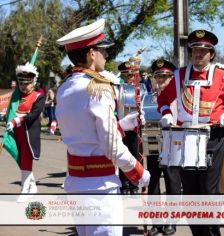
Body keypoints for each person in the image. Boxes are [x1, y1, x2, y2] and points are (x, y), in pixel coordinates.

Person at [55, 18, 150, 236]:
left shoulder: (65, 87)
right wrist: (138, 172)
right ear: (91, 54)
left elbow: (84, 129)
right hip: (100, 186)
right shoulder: (97, 87)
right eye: (103, 51)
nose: (106, 56)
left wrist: (122, 124)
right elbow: (111, 146)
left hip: (76, 182)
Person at [157, 29, 224, 236]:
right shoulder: (179, 75)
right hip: (184, 137)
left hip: (212, 137)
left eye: (203, 51)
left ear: (212, 54)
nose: (198, 55)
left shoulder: (222, 76)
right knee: (190, 191)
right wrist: (166, 114)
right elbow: (163, 100)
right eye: (195, 51)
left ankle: (212, 230)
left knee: (208, 190)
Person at [147, 59, 181, 236]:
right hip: (152, 142)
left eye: (165, 77)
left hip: (173, 142)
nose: (161, 80)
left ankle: (171, 220)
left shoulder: (178, 98)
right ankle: (156, 221)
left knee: (172, 182)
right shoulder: (147, 97)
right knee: (152, 183)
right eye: (158, 77)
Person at [5, 63, 45, 202]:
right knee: (21, 161)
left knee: (26, 160)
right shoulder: (16, 96)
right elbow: (10, 111)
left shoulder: (38, 96)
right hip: (15, 134)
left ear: (33, 82)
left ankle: (24, 190)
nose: (23, 86)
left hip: (28, 134)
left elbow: (33, 115)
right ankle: (32, 186)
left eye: (26, 83)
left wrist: (16, 121)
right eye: (21, 83)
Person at [117, 61, 142, 195]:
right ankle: (124, 184)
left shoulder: (139, 88)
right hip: (121, 127)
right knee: (122, 157)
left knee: (135, 157)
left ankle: (134, 184)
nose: (129, 78)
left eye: (131, 75)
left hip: (135, 129)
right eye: (126, 75)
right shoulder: (116, 88)